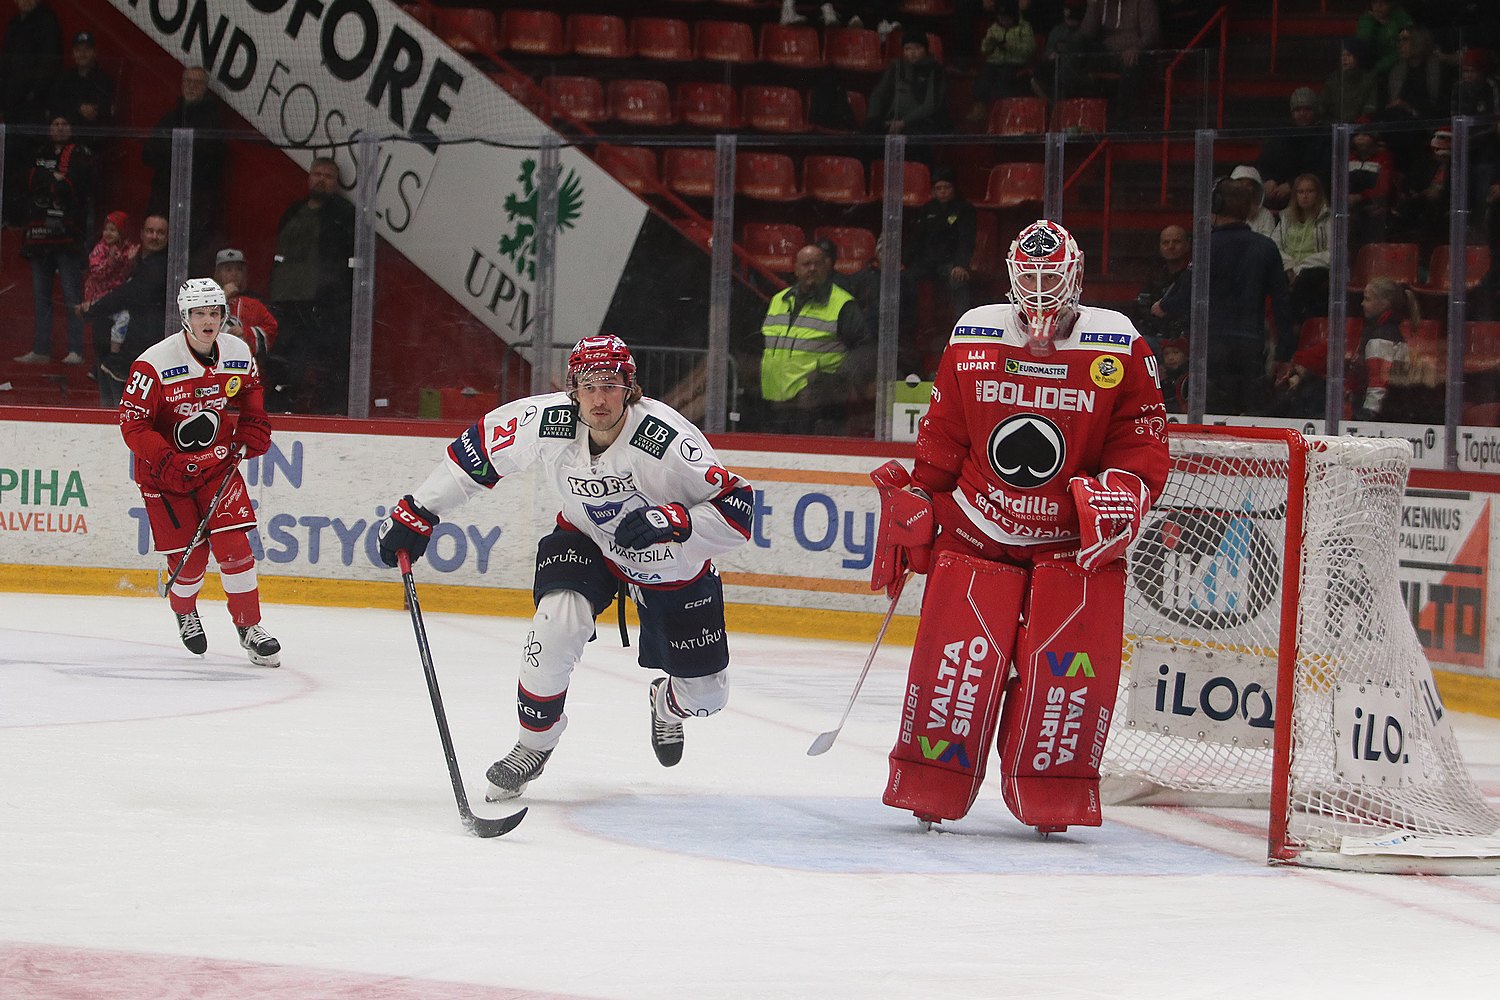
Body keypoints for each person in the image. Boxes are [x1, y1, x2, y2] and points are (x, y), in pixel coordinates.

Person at [873, 219, 1169, 834]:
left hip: (1070, 546)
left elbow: (1138, 434)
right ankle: (931, 784)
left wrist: (1127, 489)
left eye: (1050, 276)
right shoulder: (975, 332)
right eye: (1028, 276)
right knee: (954, 667)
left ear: (1075, 276)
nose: (1038, 290)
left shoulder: (1118, 343)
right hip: (979, 526)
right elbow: (945, 430)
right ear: (1011, 275)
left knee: (1067, 681)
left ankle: (1051, 795)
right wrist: (922, 496)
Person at [376, 335, 754, 799]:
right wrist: (419, 510)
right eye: (588, 386)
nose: (599, 398)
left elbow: (738, 512)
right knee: (556, 623)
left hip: (671, 563)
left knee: (707, 698)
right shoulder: (546, 420)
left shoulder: (669, 442)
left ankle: (667, 705)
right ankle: (532, 745)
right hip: (587, 539)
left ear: (630, 388)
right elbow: (476, 454)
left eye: (611, 385)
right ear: (572, 388)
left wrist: (674, 520)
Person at [118, 278, 279, 667]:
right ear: (184, 316)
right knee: (189, 565)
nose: (208, 321)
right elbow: (132, 423)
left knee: (236, 550)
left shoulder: (238, 351)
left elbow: (250, 392)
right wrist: (166, 459)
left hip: (217, 466)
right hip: (164, 476)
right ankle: (185, 611)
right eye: (199, 313)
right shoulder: (153, 363)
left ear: (224, 315)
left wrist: (254, 423)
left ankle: (250, 627)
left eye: (215, 312)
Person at [1160, 177, 1295, 416]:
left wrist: (1163, 306)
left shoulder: (1206, 246)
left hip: (1212, 345)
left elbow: (1182, 297)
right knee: (1252, 415)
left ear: (1216, 205)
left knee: (1214, 415)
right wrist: (1284, 353)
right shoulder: (1266, 247)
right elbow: (1283, 303)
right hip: (1251, 344)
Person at [266, 156, 356, 414]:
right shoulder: (293, 212)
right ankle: (280, 411)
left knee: (326, 366)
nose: (321, 179)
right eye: (317, 173)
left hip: (323, 307)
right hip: (287, 303)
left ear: (337, 183)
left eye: (328, 176)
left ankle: (329, 415)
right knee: (286, 364)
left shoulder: (344, 215)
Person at [759, 242, 872, 434]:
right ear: (795, 269)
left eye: (817, 264)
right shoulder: (778, 300)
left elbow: (865, 348)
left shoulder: (843, 304)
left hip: (816, 407)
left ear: (827, 267)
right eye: (806, 264)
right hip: (774, 401)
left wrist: (836, 381)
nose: (812, 269)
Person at [14, 112, 91, 367]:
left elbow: (75, 186)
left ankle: (76, 350)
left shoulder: (80, 152)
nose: (59, 128)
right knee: (41, 295)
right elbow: (30, 181)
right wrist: (54, 180)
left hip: (67, 236)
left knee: (71, 294)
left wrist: (52, 182)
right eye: (55, 124)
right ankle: (41, 349)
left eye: (64, 123)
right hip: (38, 237)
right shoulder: (38, 150)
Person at [78, 213, 169, 407]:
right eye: (150, 231)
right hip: (113, 353)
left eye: (160, 233)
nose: (154, 236)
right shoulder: (135, 260)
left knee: (123, 416)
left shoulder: (162, 267)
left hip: (134, 356)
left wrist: (93, 309)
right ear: (142, 234)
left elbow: (128, 293)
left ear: (168, 237)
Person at [142, 64, 225, 270]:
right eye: (187, 81)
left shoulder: (213, 122)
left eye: (197, 83)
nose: (191, 86)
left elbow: (212, 160)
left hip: (196, 204)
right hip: (164, 199)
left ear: (206, 87)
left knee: (191, 259)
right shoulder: (170, 118)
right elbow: (147, 154)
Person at [900, 168, 977, 374]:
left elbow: (966, 240)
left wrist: (962, 264)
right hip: (927, 263)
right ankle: (907, 325)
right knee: (905, 278)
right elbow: (917, 238)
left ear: (953, 189)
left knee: (957, 281)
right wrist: (904, 261)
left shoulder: (964, 209)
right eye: (938, 188)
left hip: (951, 263)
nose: (942, 192)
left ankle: (963, 326)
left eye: (946, 188)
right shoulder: (928, 209)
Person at [0, 0, 62, 223]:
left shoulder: (46, 22)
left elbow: (49, 64)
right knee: (9, 163)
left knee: (27, 164)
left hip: (32, 112)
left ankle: (24, 218)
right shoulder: (15, 23)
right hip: (12, 111)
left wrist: (32, 93)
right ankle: (8, 215)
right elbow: (5, 65)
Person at [82, 208, 137, 404]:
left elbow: (128, 275)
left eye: (113, 230)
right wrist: (112, 261)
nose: (108, 233)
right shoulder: (100, 249)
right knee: (102, 342)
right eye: (107, 229)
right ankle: (102, 365)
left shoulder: (128, 248)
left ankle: (113, 356)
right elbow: (96, 272)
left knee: (125, 319)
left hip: (118, 300)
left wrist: (131, 261)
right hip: (101, 298)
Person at [1257, 87, 1333, 211]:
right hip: (1279, 199)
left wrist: (1293, 185)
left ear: (1315, 111)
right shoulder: (1282, 135)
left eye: (1307, 109)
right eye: (1298, 110)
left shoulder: (1325, 136)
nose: (1302, 113)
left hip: (1314, 201)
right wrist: (1268, 180)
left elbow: (1323, 173)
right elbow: (1264, 163)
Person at [1271, 173, 1331, 324]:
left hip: (1315, 266)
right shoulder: (1285, 218)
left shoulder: (1328, 219)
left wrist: (1301, 267)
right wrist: (1289, 266)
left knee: (1307, 279)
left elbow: (1333, 253)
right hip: (1289, 267)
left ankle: (1296, 324)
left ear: (1318, 194)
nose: (1305, 196)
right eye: (1300, 192)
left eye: (1310, 191)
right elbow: (1274, 246)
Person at [1348, 276, 1411, 420]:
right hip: (1391, 411)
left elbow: (1378, 382)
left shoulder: (1382, 336)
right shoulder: (1387, 331)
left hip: (1382, 416)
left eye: (1367, 299)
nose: (1362, 304)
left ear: (1384, 304)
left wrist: (1368, 415)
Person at [865, 33, 949, 137]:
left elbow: (930, 105)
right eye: (908, 49)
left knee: (912, 134)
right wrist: (873, 118)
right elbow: (878, 94)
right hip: (892, 120)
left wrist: (903, 122)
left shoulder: (935, 69)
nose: (912, 53)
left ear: (926, 49)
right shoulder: (896, 67)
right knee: (870, 130)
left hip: (922, 122)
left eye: (917, 48)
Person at [969, 2, 1036, 122]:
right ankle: (980, 108)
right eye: (1001, 17)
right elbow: (984, 50)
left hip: (1015, 62)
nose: (1003, 20)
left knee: (1004, 79)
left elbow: (1029, 49)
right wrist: (989, 43)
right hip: (995, 61)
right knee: (983, 78)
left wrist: (1010, 46)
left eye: (1006, 18)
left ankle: (1005, 111)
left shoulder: (1024, 27)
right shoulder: (994, 28)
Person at [1132, 223, 1190, 353]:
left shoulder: (1194, 277)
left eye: (1176, 242)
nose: (1171, 246)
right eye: (1166, 243)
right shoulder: (1154, 276)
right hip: (1157, 337)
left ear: (1187, 245)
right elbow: (1142, 308)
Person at [213, 247, 278, 363]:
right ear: (218, 274)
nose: (234, 274)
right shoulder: (206, 298)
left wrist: (246, 332)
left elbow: (271, 329)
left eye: (238, 270)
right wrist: (223, 297)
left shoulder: (254, 303)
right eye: (228, 270)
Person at [1320, 37, 1378, 124]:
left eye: (1349, 55)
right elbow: (1322, 109)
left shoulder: (1368, 80)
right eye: (1342, 55)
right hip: (1335, 129)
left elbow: (1370, 109)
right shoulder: (1332, 80)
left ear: (1358, 57)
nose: (1344, 59)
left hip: (1360, 130)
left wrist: (1359, 125)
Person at [1356, 0, 1412, 76]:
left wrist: (1388, 24)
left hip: (1400, 67)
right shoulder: (1366, 20)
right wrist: (1372, 22)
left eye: (1384, 2)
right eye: (1375, 2)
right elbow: (1361, 46)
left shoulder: (1400, 16)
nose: (1378, 6)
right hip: (1373, 72)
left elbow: (1409, 46)